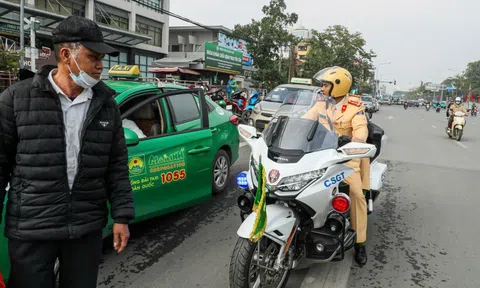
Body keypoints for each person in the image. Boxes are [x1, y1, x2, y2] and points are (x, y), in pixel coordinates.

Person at [0, 16, 134, 288]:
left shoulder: (106, 104)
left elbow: (116, 165)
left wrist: (121, 217)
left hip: (85, 227)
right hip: (32, 227)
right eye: (93, 57)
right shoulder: (16, 99)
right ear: (65, 54)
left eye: (101, 59)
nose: (100, 66)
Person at [302, 66, 369, 266]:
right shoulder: (321, 105)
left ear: (338, 87)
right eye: (322, 84)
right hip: (318, 157)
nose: (322, 88)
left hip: (345, 161)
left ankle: (360, 243)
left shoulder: (355, 107)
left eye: (325, 85)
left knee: (357, 195)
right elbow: (304, 120)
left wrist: (353, 140)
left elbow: (361, 130)